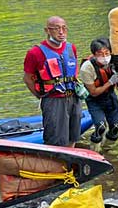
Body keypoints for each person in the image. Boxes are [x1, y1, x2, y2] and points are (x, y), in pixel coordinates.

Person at [23, 16, 81, 147]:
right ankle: (55, 164)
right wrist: (40, 95)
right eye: (56, 28)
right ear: (47, 30)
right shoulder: (35, 53)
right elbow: (27, 78)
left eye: (64, 28)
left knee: (74, 136)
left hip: (74, 97)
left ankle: (69, 163)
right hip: (53, 99)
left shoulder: (71, 48)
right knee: (55, 139)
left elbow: (74, 69)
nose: (61, 32)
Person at [79, 38, 118, 143]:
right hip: (95, 99)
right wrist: (110, 83)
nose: (104, 57)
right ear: (94, 54)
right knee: (100, 126)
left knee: (115, 127)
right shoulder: (87, 68)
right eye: (100, 54)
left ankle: (108, 147)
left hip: (110, 96)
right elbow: (93, 92)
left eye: (107, 53)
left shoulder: (114, 61)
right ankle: (95, 145)